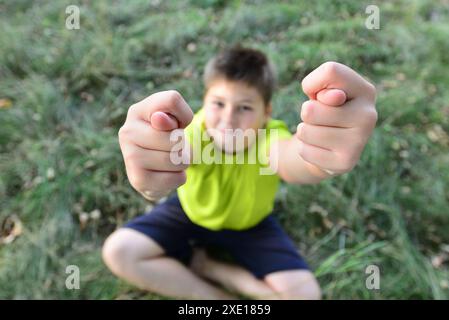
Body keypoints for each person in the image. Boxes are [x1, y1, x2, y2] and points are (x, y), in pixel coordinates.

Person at [102, 46, 377, 299]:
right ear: (204, 101)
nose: (228, 119)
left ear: (265, 113)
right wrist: (154, 156)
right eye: (218, 104)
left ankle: (212, 268)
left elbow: (294, 158)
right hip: (190, 213)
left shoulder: (269, 139)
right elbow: (178, 151)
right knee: (119, 252)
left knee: (307, 295)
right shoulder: (195, 133)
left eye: (244, 107)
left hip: (252, 224)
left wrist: (321, 158)